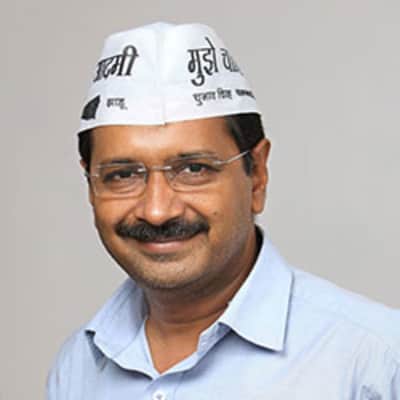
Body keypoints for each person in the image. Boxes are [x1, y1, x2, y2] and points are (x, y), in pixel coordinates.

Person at [47, 22, 400, 399]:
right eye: (123, 175)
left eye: (193, 169)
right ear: (90, 184)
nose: (157, 211)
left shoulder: (375, 363)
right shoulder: (78, 368)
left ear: (257, 175)